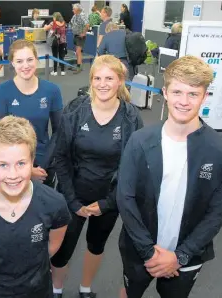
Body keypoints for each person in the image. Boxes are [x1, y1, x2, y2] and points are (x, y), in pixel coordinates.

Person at [116, 55, 222, 298]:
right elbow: (125, 198)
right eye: (177, 92)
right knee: (129, 292)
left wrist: (180, 257)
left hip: (188, 257)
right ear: (165, 93)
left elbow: (217, 214)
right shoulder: (140, 141)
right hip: (139, 249)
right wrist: (148, 252)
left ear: (204, 96)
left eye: (193, 94)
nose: (184, 102)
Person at [51, 55, 143, 298]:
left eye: (109, 78)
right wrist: (73, 202)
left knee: (96, 244)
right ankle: (56, 290)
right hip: (72, 197)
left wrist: (108, 203)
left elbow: (134, 167)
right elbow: (61, 157)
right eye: (97, 78)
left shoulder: (131, 117)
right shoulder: (75, 110)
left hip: (109, 200)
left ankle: (85, 289)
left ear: (120, 81)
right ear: (91, 80)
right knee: (62, 249)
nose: (103, 84)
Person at [0, 115, 71, 298]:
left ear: (32, 161)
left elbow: (52, 246)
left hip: (38, 291)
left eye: (21, 163)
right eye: (3, 165)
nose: (13, 174)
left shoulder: (54, 204)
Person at [0, 39, 63, 187]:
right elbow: (0, 137)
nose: (25, 66)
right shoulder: (0, 92)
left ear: (37, 60)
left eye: (30, 60)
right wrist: (28, 170)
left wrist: (44, 165)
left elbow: (59, 132)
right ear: (12, 63)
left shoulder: (52, 90)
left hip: (44, 165)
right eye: (19, 61)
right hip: (12, 167)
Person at [44, 12, 67, 76]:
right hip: (62, 41)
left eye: (53, 17)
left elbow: (46, 29)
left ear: (55, 17)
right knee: (62, 56)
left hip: (55, 41)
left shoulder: (53, 23)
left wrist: (45, 26)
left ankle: (55, 71)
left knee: (55, 56)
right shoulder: (64, 23)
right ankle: (62, 71)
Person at [69, 3, 89, 74]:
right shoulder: (75, 15)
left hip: (80, 36)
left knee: (78, 52)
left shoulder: (82, 15)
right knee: (77, 52)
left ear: (77, 9)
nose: (72, 10)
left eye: (74, 9)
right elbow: (71, 22)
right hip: (76, 35)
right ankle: (78, 66)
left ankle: (79, 67)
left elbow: (87, 24)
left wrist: (84, 33)